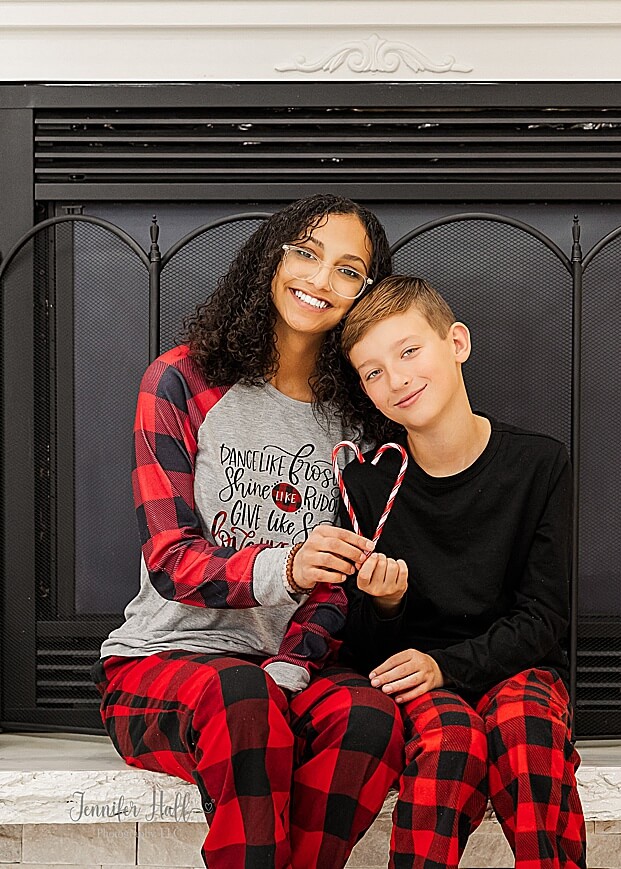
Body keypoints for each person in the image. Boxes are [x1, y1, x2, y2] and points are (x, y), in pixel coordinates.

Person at [93, 194, 405, 869]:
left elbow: (337, 579)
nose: (321, 280)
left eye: (349, 271)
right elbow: (173, 559)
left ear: (364, 296)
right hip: (164, 662)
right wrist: (287, 565)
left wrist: (299, 656)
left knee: (372, 718)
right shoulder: (180, 381)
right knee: (242, 695)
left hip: (287, 670)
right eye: (307, 253)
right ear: (272, 257)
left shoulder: (355, 423)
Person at [333, 275, 585, 869]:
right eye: (372, 372)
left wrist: (448, 664)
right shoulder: (367, 484)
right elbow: (363, 650)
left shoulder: (538, 464)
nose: (396, 379)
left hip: (518, 667)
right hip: (418, 682)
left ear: (457, 344)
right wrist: (387, 606)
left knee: (528, 735)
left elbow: (544, 617)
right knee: (450, 745)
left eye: (409, 352)